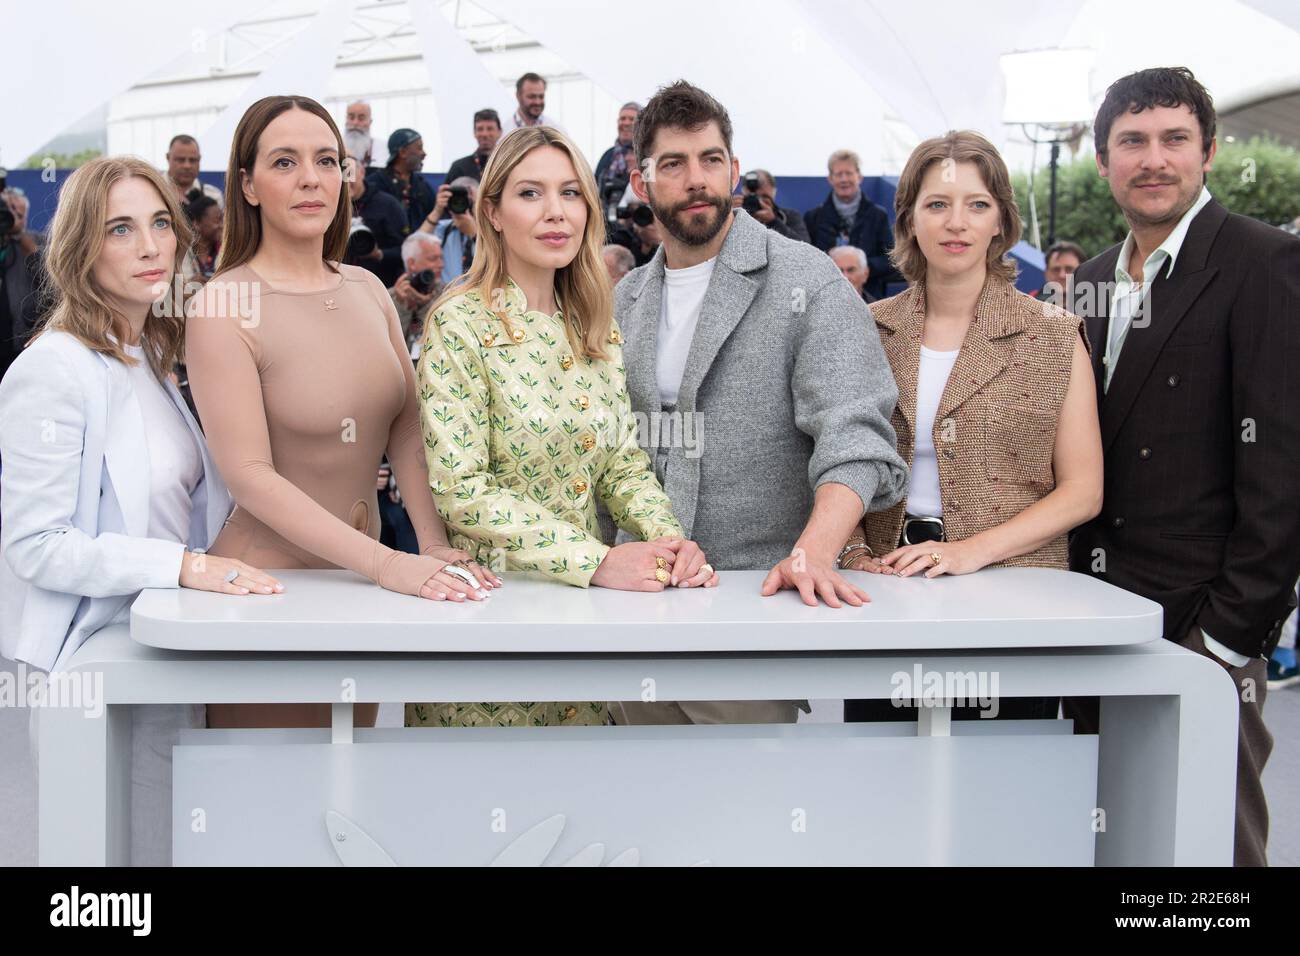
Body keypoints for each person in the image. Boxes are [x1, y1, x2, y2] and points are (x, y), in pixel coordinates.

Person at [184, 95, 500, 731]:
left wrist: (431, 542)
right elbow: (249, 474)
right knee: (271, 810)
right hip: (271, 591)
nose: (311, 178)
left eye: (327, 160)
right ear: (246, 184)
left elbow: (407, 428)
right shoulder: (223, 306)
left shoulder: (364, 290)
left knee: (345, 807)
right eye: (284, 161)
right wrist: (389, 564)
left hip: (362, 585)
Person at [0, 157, 283, 865]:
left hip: (157, 651)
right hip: (86, 665)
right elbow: (36, 544)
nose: (151, 245)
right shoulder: (52, 368)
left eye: (160, 223)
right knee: (97, 872)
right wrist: (184, 567)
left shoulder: (148, 357)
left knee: (156, 848)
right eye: (120, 229)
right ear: (79, 249)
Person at [610, 81, 907, 727]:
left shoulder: (807, 279)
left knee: (747, 818)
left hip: (747, 613)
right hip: (636, 614)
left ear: (734, 170)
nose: (697, 180)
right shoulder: (625, 299)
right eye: (674, 164)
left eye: (711, 160)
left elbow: (855, 437)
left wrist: (815, 551)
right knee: (633, 815)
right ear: (641, 180)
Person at [1065, 67, 1300, 867]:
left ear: (1208, 152)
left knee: (1211, 850)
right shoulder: (1089, 281)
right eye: (1132, 141)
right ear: (1103, 161)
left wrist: (1229, 639)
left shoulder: (1266, 264)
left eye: (1174, 140)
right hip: (1098, 614)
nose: (1153, 160)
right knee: (1116, 837)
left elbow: (1283, 470)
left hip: (1205, 624)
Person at [410, 125, 716, 728]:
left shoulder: (592, 324)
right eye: (531, 194)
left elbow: (622, 464)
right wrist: (599, 562)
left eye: (571, 193)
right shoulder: (460, 323)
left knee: (588, 808)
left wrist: (669, 542)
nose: (556, 213)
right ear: (492, 212)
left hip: (582, 627)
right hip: (489, 621)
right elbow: (461, 490)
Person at [838, 130, 1102, 722]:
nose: (956, 222)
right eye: (937, 204)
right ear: (908, 221)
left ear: (1001, 223)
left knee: (1004, 793)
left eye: (976, 205)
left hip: (1015, 597)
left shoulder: (1054, 334)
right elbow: (834, 457)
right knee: (883, 785)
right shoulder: (866, 329)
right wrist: (853, 550)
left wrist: (967, 552)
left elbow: (1083, 491)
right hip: (884, 597)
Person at [805, 148, 896, 298]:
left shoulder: (878, 216)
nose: (844, 179)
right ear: (830, 179)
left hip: (870, 300)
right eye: (838, 174)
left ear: (859, 177)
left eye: (849, 173)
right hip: (825, 298)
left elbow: (891, 259)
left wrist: (860, 267)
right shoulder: (813, 217)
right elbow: (808, 261)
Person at [0, 187, 43, 383]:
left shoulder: (36, 241)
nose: (12, 217)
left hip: (21, 344)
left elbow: (52, 278)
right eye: (7, 211)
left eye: (18, 213)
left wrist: (20, 235)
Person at [344, 152, 405, 287]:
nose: (346, 180)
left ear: (362, 172)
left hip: (379, 284)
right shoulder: (329, 206)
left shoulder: (387, 204)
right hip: (341, 284)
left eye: (350, 173)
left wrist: (378, 254)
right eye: (341, 174)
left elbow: (405, 249)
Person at [366, 127, 436, 235]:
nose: (424, 154)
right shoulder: (375, 184)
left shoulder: (422, 185)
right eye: (419, 148)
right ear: (402, 152)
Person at [390, 230, 443, 346]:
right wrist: (402, 305)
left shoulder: (448, 294)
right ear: (411, 263)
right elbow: (390, 345)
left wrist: (425, 304)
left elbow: (443, 339)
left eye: (441, 258)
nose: (441, 265)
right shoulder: (387, 298)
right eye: (433, 259)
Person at [425, 176, 479, 285]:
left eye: (467, 200)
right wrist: (437, 210)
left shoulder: (495, 231)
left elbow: (500, 260)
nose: (462, 204)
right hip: (448, 297)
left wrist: (475, 234)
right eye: (456, 200)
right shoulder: (442, 229)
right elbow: (414, 248)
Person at [732, 168, 810, 242]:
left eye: (764, 197)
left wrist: (774, 222)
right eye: (751, 198)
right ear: (742, 192)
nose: (757, 202)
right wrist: (728, 215)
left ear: (773, 192)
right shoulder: (733, 214)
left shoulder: (788, 216)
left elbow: (805, 248)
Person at [594, 102, 640, 203]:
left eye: (632, 119)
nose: (626, 123)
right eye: (622, 119)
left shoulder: (648, 154)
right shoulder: (608, 155)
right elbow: (594, 187)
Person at [164, 134, 223, 208]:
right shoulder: (151, 190)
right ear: (168, 158)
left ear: (199, 159)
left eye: (193, 160)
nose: (187, 166)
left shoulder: (213, 196)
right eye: (180, 160)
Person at [445, 109, 502, 183]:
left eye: (490, 129)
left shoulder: (508, 165)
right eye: (480, 129)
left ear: (500, 132)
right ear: (474, 133)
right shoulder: (459, 167)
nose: (484, 134)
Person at [1034, 239, 1085, 306]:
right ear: (1046, 274)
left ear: (1084, 271)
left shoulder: (1099, 307)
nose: (1062, 275)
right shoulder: (1030, 306)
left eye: (1069, 269)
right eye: (1056, 269)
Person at [184, 194, 222, 281]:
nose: (222, 226)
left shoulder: (227, 251)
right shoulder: (180, 253)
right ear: (196, 223)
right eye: (217, 220)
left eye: (222, 220)